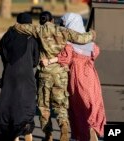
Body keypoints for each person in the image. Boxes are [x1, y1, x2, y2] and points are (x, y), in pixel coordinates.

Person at [13, 11, 96, 141]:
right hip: (61, 74)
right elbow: (82, 39)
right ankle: (63, 124)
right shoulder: (63, 30)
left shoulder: (38, 30)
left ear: (41, 21)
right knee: (60, 105)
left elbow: (20, 27)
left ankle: (48, 134)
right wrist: (92, 33)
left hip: (44, 74)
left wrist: (14, 26)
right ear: (52, 20)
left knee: (44, 106)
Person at [41, 13, 106, 141]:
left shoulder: (69, 44)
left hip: (77, 76)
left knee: (78, 106)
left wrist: (48, 61)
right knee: (93, 102)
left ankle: (83, 133)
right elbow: (96, 52)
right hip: (91, 76)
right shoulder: (90, 43)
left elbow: (65, 58)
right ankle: (93, 126)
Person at [0, 12, 40, 141]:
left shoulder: (8, 36)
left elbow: (3, 54)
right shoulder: (32, 38)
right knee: (26, 104)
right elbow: (35, 61)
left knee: (9, 104)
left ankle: (14, 135)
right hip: (27, 76)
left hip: (9, 75)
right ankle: (27, 132)